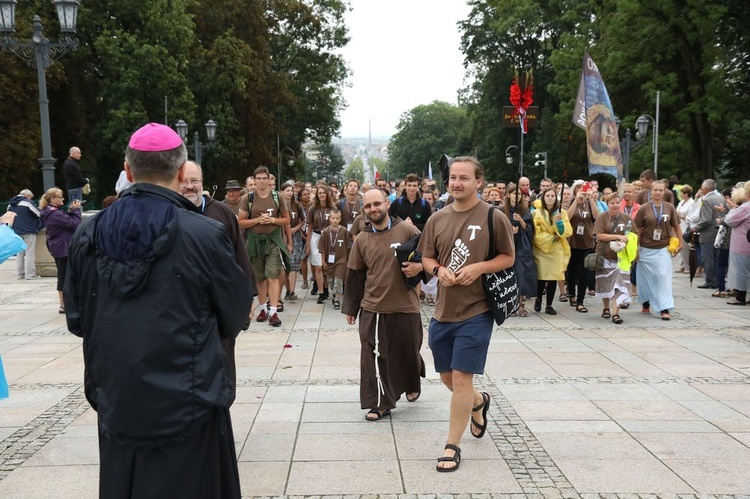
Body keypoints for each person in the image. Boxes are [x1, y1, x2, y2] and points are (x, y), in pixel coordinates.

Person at [64, 123, 252, 498]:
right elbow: (235, 314)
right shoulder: (202, 233)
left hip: (119, 398)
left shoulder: (88, 233)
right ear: (182, 173)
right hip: (190, 398)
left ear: (128, 171)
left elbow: (77, 318)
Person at [418, 156, 515, 472]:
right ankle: (478, 402)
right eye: (453, 178)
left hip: (477, 310)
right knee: (446, 376)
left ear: (478, 182)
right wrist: (438, 270)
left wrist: (479, 268)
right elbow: (427, 256)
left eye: (464, 178)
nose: (457, 183)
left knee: (461, 377)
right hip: (443, 310)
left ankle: (452, 445)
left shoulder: (492, 217)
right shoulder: (437, 218)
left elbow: (508, 257)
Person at [344, 188, 426, 421]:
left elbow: (429, 253)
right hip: (373, 307)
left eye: (377, 204)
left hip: (405, 305)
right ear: (364, 211)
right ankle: (380, 403)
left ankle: (412, 376)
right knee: (375, 356)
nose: (373, 209)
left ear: (387, 204)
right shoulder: (362, 239)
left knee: (408, 350)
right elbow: (355, 275)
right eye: (368, 206)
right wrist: (351, 308)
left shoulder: (407, 229)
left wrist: (419, 268)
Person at [180, 160, 256, 383]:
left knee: (221, 368)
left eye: (194, 181)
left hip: (219, 306)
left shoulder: (221, 212)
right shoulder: (170, 212)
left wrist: (248, 296)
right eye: (184, 182)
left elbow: (239, 256)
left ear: (203, 183)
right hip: (183, 306)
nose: (190, 186)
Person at [238, 166, 290, 327]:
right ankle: (262, 308)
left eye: (264, 178)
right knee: (259, 276)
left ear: (269, 180)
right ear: (254, 180)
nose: (261, 181)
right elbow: (240, 222)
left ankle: (273, 311)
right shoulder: (248, 198)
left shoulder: (277, 197)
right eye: (258, 178)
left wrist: (272, 220)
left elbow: (286, 220)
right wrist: (257, 221)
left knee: (273, 274)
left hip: (273, 240)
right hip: (254, 241)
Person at [633, 180, 682, 320]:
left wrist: (680, 242)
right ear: (651, 191)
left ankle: (664, 307)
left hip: (662, 248)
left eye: (661, 190)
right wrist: (635, 248)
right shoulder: (644, 208)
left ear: (664, 192)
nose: (658, 193)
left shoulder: (669, 208)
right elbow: (637, 230)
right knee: (645, 278)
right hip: (645, 248)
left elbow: (677, 226)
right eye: (655, 190)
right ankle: (646, 302)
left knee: (662, 276)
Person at [40, 188, 82, 313]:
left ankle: (66, 302)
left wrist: (71, 211)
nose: (63, 199)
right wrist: (76, 210)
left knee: (65, 275)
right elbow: (75, 224)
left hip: (59, 247)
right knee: (64, 275)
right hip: (63, 248)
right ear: (53, 199)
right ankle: (63, 304)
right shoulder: (55, 213)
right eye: (60, 197)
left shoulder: (52, 212)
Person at [593, 192, 633, 324]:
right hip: (605, 255)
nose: (615, 205)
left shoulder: (626, 218)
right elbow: (599, 236)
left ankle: (616, 313)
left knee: (619, 285)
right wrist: (617, 237)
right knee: (606, 283)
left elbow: (633, 234)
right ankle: (606, 308)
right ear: (607, 204)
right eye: (612, 203)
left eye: (617, 202)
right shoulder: (602, 217)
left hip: (621, 257)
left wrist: (626, 241)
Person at [532, 188, 573, 314]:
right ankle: (538, 298)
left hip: (556, 249)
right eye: (548, 196)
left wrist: (559, 222)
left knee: (553, 276)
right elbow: (536, 233)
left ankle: (549, 305)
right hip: (542, 249)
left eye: (553, 196)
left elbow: (566, 231)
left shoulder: (562, 213)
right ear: (543, 197)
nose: (550, 198)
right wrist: (551, 238)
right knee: (542, 276)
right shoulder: (537, 213)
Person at [501, 184, 536, 317]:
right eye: (514, 193)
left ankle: (521, 304)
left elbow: (530, 230)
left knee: (522, 274)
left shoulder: (525, 210)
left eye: (519, 194)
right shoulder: (501, 210)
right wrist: (509, 230)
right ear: (508, 195)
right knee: (509, 275)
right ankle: (510, 304)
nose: (517, 196)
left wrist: (520, 221)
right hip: (507, 245)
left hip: (522, 245)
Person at [565, 182, 599, 313]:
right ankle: (571, 293)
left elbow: (596, 216)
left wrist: (590, 200)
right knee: (572, 271)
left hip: (587, 242)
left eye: (584, 188)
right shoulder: (571, 202)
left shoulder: (589, 204)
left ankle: (580, 301)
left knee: (584, 272)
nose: (582, 191)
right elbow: (567, 217)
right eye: (579, 188)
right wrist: (576, 201)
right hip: (573, 242)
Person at [694, 179, 726, 289]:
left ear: (705, 189)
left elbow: (705, 220)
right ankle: (717, 279)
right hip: (719, 231)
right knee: (716, 257)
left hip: (707, 233)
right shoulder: (720, 197)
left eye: (702, 188)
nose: (701, 190)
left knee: (707, 257)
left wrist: (695, 228)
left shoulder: (707, 200)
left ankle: (710, 280)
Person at [306, 183, 335, 301]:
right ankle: (321, 292)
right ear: (317, 195)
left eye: (324, 192)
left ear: (327, 194)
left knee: (327, 265)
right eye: (320, 193)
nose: (322, 195)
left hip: (329, 237)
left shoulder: (333, 208)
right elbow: (310, 227)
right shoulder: (313, 209)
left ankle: (327, 287)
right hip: (316, 236)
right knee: (317, 266)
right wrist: (308, 244)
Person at [318, 208, 351, 308]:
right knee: (331, 282)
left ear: (340, 219)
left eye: (337, 218)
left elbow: (348, 247)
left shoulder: (344, 231)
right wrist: (323, 261)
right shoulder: (325, 232)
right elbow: (322, 249)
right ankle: (335, 294)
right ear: (330, 219)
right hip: (329, 261)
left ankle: (337, 298)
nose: (335, 220)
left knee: (338, 279)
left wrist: (348, 260)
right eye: (333, 218)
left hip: (341, 260)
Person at [8, 189, 43, 280]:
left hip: (16, 230)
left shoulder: (10, 204)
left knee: (20, 253)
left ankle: (20, 274)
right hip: (29, 229)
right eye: (31, 197)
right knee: (29, 252)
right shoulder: (27, 203)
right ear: (27, 195)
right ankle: (30, 274)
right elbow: (39, 213)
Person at [724, 184, 750, 305]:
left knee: (740, 271)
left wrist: (733, 208)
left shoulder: (745, 207)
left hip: (742, 244)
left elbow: (729, 220)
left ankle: (740, 297)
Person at [281, 183, 305, 301]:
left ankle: (292, 291)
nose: (289, 193)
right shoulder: (279, 205)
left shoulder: (297, 205)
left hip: (295, 236)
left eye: (291, 191)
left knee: (294, 263)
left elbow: (303, 219)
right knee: (286, 264)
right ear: (282, 192)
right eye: (287, 191)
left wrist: (296, 228)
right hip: (283, 236)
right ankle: (287, 289)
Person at [675, 185, 695, 273]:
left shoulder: (692, 203)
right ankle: (683, 265)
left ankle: (688, 266)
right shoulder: (681, 202)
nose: (681, 195)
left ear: (686, 194)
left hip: (686, 226)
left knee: (685, 248)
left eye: (682, 193)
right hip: (679, 225)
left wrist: (681, 216)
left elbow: (691, 216)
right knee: (681, 247)